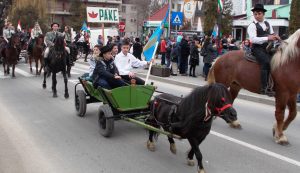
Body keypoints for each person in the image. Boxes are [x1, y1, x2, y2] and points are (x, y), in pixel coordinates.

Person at [247, 4, 280, 96]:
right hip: (257, 48)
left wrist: (275, 37)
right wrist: (267, 38)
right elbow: (252, 39)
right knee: (266, 62)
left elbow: (272, 34)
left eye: (259, 13)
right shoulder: (252, 25)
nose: (257, 15)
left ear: (263, 14)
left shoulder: (268, 23)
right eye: (255, 14)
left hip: (268, 47)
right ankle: (264, 87)